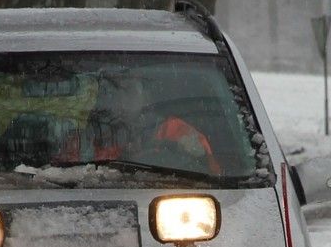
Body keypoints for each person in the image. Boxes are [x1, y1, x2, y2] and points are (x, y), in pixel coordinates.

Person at [56, 73, 219, 174]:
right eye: (108, 91)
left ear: (146, 97)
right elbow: (59, 178)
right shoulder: (80, 136)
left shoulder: (176, 130)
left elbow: (207, 176)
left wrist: (163, 154)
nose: (120, 99)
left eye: (128, 91)